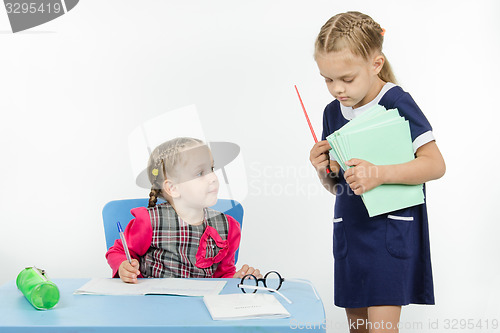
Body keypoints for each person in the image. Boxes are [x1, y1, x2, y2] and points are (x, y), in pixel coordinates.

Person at [309, 11, 446, 333]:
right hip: (350, 231)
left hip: (388, 233)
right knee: (358, 329)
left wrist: (379, 174)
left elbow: (435, 164)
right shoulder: (332, 112)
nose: (337, 90)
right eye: (328, 80)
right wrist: (323, 171)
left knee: (382, 329)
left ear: (375, 64)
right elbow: (339, 186)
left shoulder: (396, 102)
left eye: (347, 79)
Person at [106, 137, 261, 283]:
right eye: (200, 173)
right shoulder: (149, 222)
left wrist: (236, 278)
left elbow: (222, 276)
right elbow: (118, 251)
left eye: (211, 168)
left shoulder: (228, 227)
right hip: (155, 303)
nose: (213, 177)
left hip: (200, 305)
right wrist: (122, 266)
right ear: (172, 188)